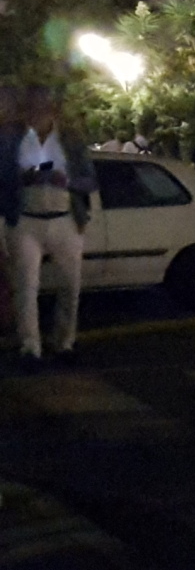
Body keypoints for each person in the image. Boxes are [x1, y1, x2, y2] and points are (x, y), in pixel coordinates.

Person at [1, 86, 96, 370]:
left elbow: (90, 181)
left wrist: (64, 181)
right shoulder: (10, 138)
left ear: (52, 108)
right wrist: (23, 178)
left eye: (42, 105)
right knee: (26, 287)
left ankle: (64, 342)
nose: (35, 111)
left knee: (70, 284)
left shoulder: (69, 140)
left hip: (65, 218)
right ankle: (30, 347)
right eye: (31, 106)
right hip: (25, 219)